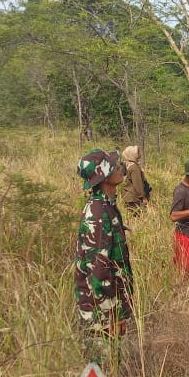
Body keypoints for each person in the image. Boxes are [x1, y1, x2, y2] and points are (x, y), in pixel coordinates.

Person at [74, 148, 134, 363]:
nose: (120, 169)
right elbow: (97, 270)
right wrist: (111, 315)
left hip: (109, 302)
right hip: (100, 309)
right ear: (104, 176)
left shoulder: (107, 205)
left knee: (112, 362)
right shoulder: (98, 213)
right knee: (103, 366)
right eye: (114, 166)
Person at [119, 145, 152, 212]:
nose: (139, 154)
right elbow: (138, 184)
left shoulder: (128, 164)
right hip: (134, 198)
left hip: (129, 196)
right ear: (132, 155)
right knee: (140, 216)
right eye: (137, 152)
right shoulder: (134, 167)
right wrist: (143, 197)